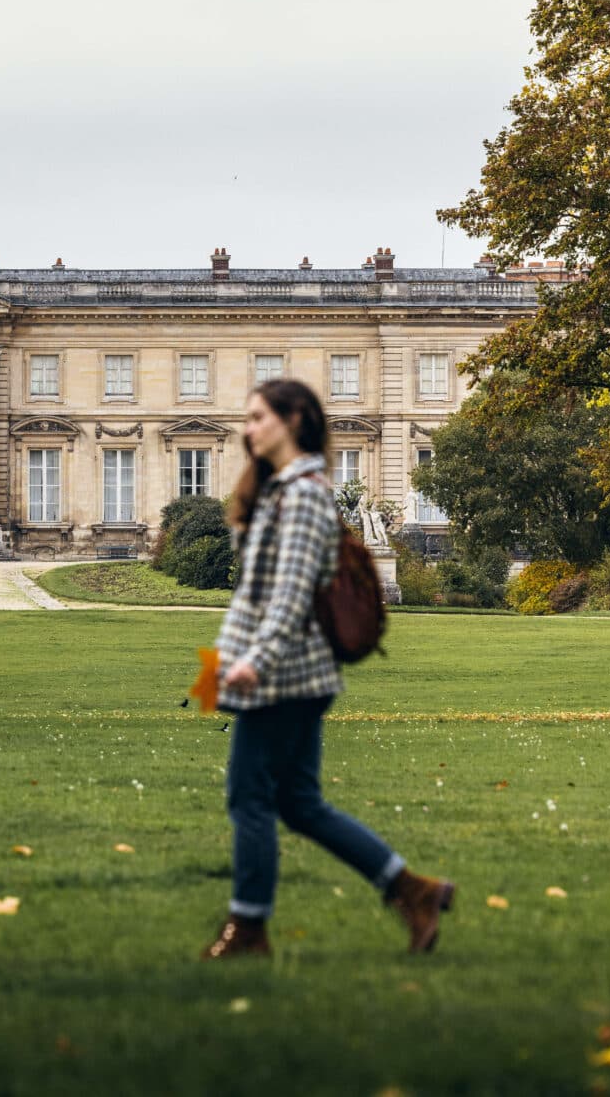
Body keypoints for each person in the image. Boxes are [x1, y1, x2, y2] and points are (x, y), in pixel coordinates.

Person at [205, 378, 453, 960]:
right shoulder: (280, 491)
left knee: (249, 798)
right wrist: (228, 655)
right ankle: (412, 890)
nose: (247, 429)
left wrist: (254, 662)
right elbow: (258, 595)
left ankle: (248, 930)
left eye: (258, 417)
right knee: (299, 802)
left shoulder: (302, 496)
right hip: (289, 671)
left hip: (283, 675)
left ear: (293, 420)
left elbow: (290, 596)